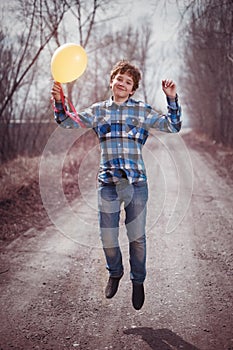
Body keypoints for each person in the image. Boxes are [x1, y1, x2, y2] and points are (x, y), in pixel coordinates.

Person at [51, 60, 182, 310]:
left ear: (133, 89)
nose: (122, 83)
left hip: (136, 184)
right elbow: (67, 122)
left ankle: (138, 280)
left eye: (128, 82)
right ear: (112, 81)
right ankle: (115, 272)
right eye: (119, 78)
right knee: (108, 236)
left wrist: (171, 98)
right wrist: (60, 101)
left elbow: (173, 126)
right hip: (108, 183)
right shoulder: (99, 110)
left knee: (137, 237)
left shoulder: (142, 110)